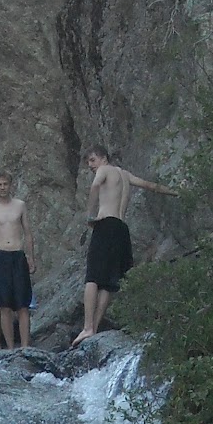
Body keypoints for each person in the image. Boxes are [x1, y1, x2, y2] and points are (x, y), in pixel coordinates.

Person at [74, 145, 177, 345]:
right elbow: (151, 186)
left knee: (92, 277)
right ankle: (94, 327)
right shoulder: (125, 175)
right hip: (121, 229)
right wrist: (176, 191)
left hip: (105, 225)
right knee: (109, 281)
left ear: (104, 157)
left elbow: (95, 186)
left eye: (92, 160)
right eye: (88, 162)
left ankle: (87, 328)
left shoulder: (104, 170)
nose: (90, 165)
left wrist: (89, 215)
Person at [0, 171, 36, 350]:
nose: (2, 188)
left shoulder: (20, 205)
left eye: (5, 184)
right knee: (4, 305)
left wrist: (30, 257)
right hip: (1, 256)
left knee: (23, 305)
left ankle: (25, 346)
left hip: (18, 255)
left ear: (10, 185)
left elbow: (27, 232)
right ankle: (11, 349)